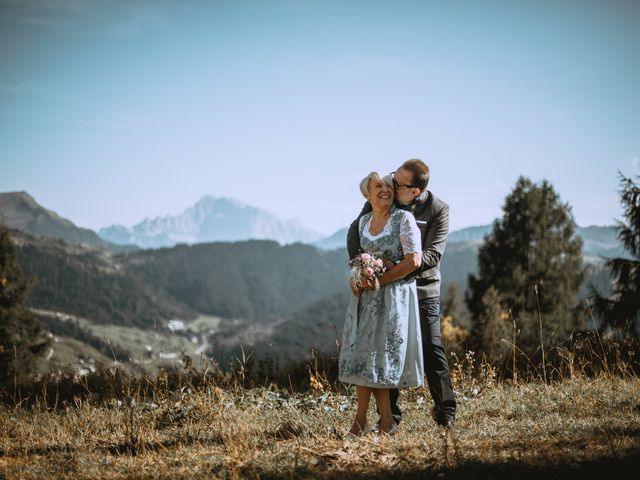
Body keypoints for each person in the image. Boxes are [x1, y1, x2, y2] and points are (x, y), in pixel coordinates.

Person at [347, 159, 457, 428]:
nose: (391, 186)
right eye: (393, 178)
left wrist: (393, 272)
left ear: (415, 191)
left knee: (432, 348)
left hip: (423, 288)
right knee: (386, 347)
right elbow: (356, 230)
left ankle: (446, 412)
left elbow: (432, 255)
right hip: (384, 287)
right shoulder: (387, 199)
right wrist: (363, 268)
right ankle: (390, 418)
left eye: (398, 183)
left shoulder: (438, 210)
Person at [339, 171, 424, 436]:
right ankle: (374, 422)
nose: (385, 190)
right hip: (367, 299)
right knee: (365, 357)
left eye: (388, 185)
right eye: (378, 186)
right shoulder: (363, 222)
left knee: (381, 358)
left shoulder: (403, 219)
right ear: (367, 193)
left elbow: (414, 261)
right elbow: (359, 261)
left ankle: (368, 421)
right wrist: (355, 278)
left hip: (393, 297)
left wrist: (382, 279)